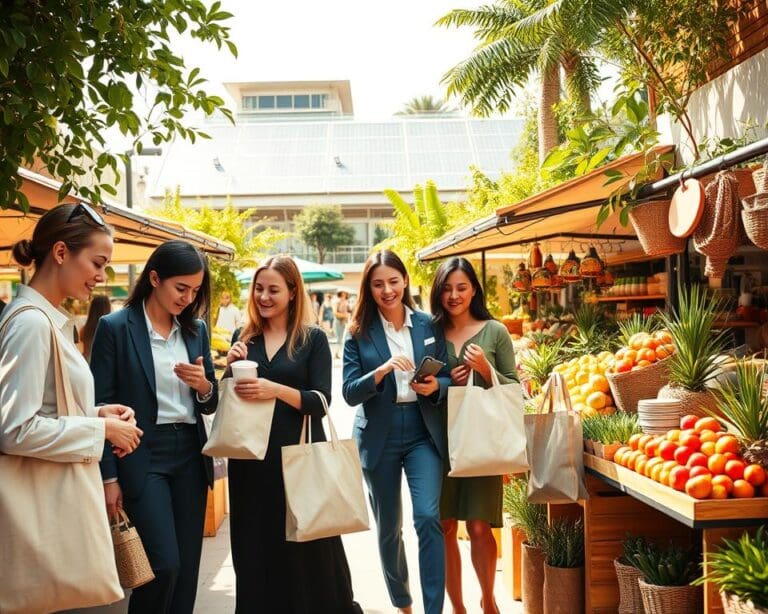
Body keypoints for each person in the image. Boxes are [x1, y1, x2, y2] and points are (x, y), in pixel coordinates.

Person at [0, 204, 142, 607]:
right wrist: (101, 431)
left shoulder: (44, 320)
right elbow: (14, 429)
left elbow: (41, 408)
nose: (101, 276)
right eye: (97, 262)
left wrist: (96, 413)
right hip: (44, 514)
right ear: (61, 253)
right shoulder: (31, 323)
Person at [225, 255, 360, 613]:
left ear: (292, 292)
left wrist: (275, 389)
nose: (263, 297)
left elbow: (322, 401)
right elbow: (228, 405)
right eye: (258, 289)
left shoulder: (312, 339)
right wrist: (227, 368)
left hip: (297, 459)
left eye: (273, 289)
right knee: (255, 548)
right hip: (250, 462)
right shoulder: (245, 338)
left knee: (306, 547)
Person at [90, 240, 219, 614]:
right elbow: (99, 406)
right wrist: (108, 478)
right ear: (154, 278)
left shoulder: (195, 330)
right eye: (181, 288)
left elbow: (211, 402)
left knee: (187, 572)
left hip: (190, 457)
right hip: (141, 456)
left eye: (195, 290)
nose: (188, 297)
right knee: (162, 567)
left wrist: (204, 386)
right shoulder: (115, 327)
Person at [342, 249, 450, 614]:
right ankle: (402, 602)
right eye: (378, 284)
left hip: (423, 431)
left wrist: (437, 386)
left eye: (393, 281)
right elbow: (348, 391)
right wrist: (383, 370)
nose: (387, 290)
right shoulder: (358, 332)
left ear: (405, 281)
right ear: (368, 289)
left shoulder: (428, 324)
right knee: (389, 527)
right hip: (379, 435)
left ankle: (433, 609)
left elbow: (449, 375)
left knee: (427, 517)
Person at [430, 257, 519, 614]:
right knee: (445, 526)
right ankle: (458, 607)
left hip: (482, 440)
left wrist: (485, 368)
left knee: (480, 527)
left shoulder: (494, 331)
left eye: (462, 287)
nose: (454, 295)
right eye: (447, 288)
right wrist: (445, 381)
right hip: (438, 440)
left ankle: (488, 600)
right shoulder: (429, 331)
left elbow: (514, 387)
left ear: (474, 290)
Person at [80, 294, 112, 361]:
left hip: (87, 366)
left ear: (92, 309)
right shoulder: (112, 330)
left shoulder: (84, 329)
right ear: (108, 308)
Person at [333, 290, 350, 358]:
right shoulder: (337, 302)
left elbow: (349, 311)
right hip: (338, 322)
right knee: (339, 338)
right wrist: (344, 316)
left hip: (345, 322)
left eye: (344, 295)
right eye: (342, 295)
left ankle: (338, 353)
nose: (343, 296)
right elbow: (335, 313)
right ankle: (336, 353)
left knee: (344, 339)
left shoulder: (346, 303)